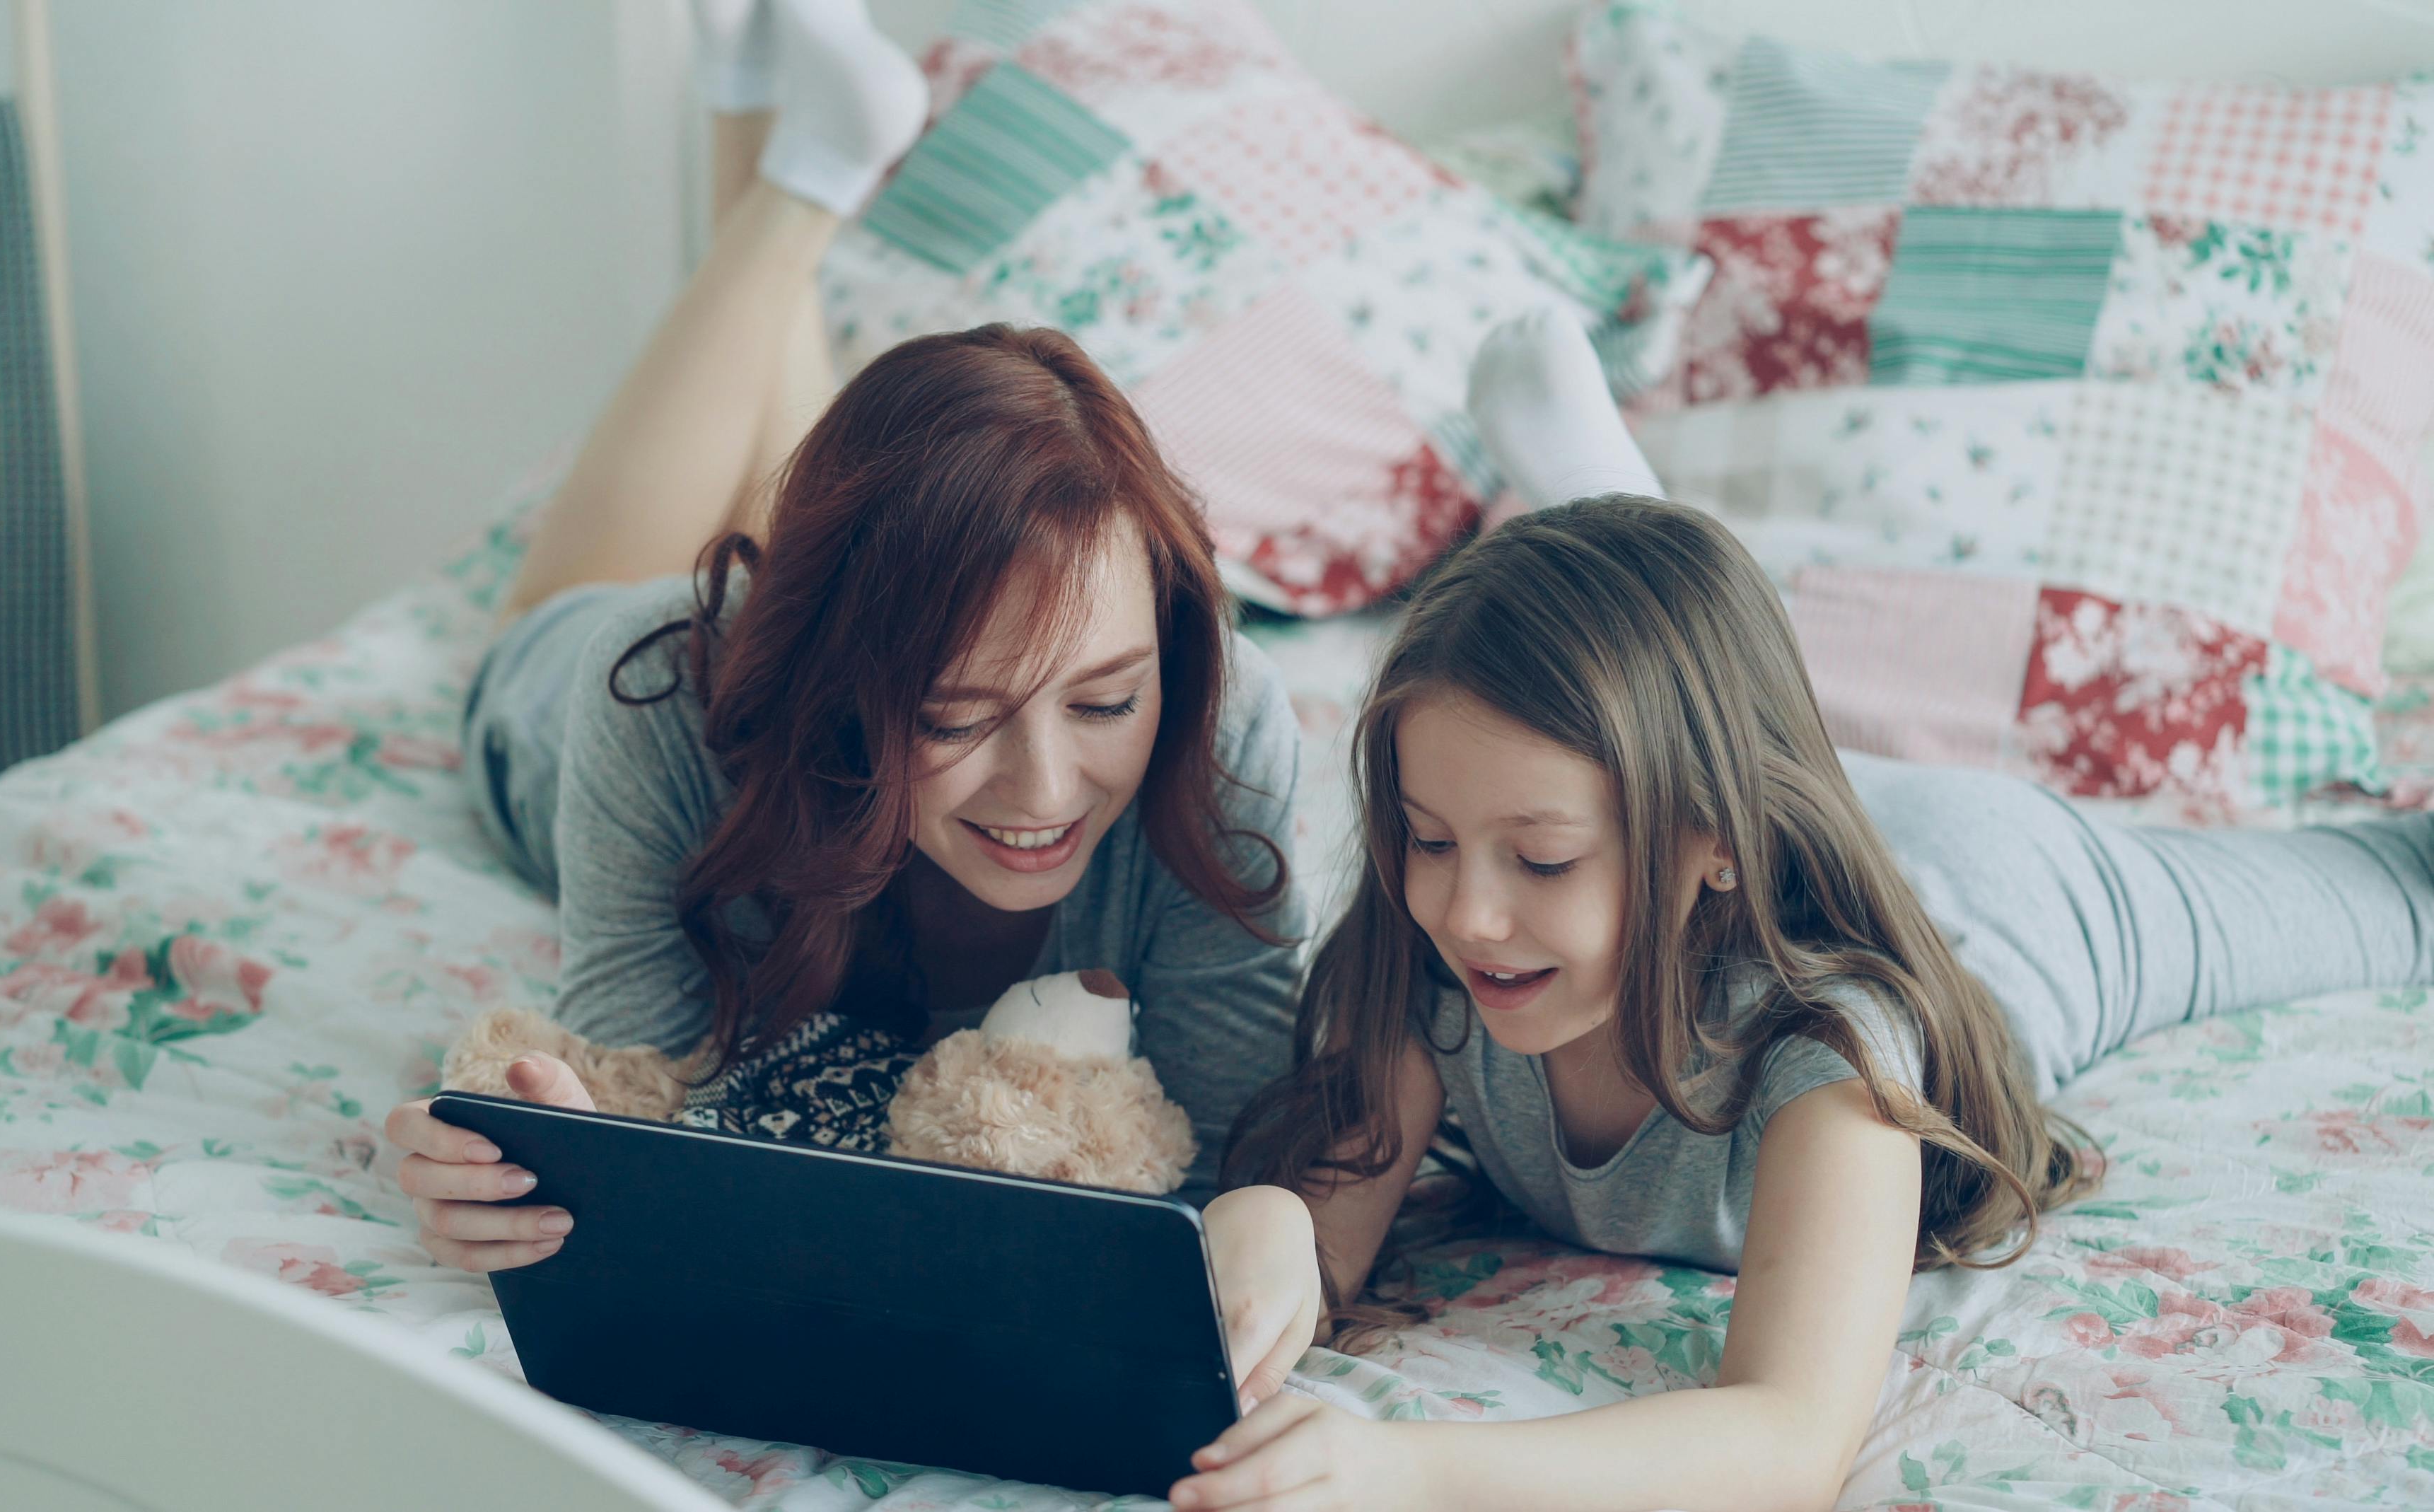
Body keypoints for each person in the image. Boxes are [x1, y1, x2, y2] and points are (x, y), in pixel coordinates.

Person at [1169, 310, 2434, 1511]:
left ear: (1712, 845)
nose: (1468, 911)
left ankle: (1616, 505)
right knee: (1693, 735)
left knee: (2398, 891)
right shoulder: (1435, 965)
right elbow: (1318, 1236)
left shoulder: (1832, 1055)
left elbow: (1786, 1435)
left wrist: (1415, 1471)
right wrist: (1270, 1219)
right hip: (1720, 806)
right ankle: (1613, 508)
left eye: (1540, 861)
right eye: (1427, 837)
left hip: (2011, 893)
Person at [380, 0, 1310, 1310]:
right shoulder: (651, 709)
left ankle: (794, 122)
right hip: (574, 672)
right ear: (840, 695)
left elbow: (1235, 1136)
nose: (1047, 790)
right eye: (959, 714)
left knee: (826, 496)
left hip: (829, 588)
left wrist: (1273, 1210)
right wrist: (490, 1154)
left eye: (1104, 699)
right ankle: (802, 185)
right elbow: (644, 1098)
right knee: (575, 593)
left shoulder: (1229, 722)